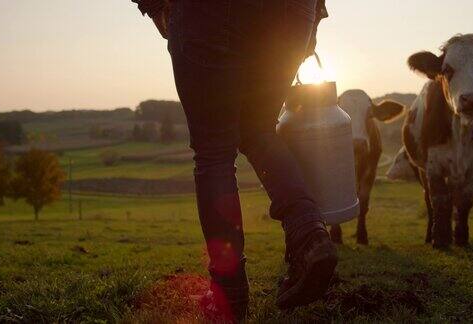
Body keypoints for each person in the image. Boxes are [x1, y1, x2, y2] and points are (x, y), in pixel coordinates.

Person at [132, 0, 335, 321]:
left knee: (214, 150)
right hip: (291, 12)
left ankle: (229, 292)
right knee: (258, 131)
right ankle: (309, 234)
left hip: (209, 13)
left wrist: (154, 5)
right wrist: (314, 12)